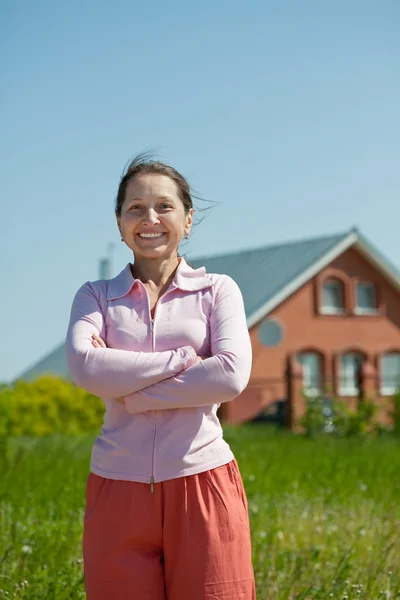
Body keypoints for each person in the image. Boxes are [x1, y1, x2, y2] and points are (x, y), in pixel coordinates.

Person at [65, 154, 256, 600]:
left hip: (204, 482)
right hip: (117, 487)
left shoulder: (218, 291)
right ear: (119, 223)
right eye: (135, 208)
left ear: (188, 221)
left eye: (164, 207)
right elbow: (84, 365)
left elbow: (230, 376)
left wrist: (132, 390)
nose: (149, 218)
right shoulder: (94, 296)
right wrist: (183, 361)